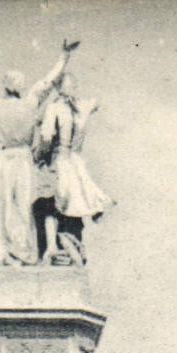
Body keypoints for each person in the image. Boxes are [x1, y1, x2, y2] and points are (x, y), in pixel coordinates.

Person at [0, 41, 80, 266]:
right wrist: (64, 56)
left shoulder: (6, 104)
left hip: (12, 159)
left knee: (12, 208)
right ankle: (17, 253)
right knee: (15, 208)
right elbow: (48, 81)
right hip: (17, 159)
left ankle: (16, 253)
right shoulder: (25, 103)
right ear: (14, 85)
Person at [34, 72, 114, 264]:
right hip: (76, 162)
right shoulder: (81, 108)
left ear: (58, 88)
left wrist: (38, 156)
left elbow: (46, 137)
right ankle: (73, 246)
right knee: (74, 203)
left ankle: (52, 247)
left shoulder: (54, 108)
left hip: (59, 159)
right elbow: (96, 102)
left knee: (50, 203)